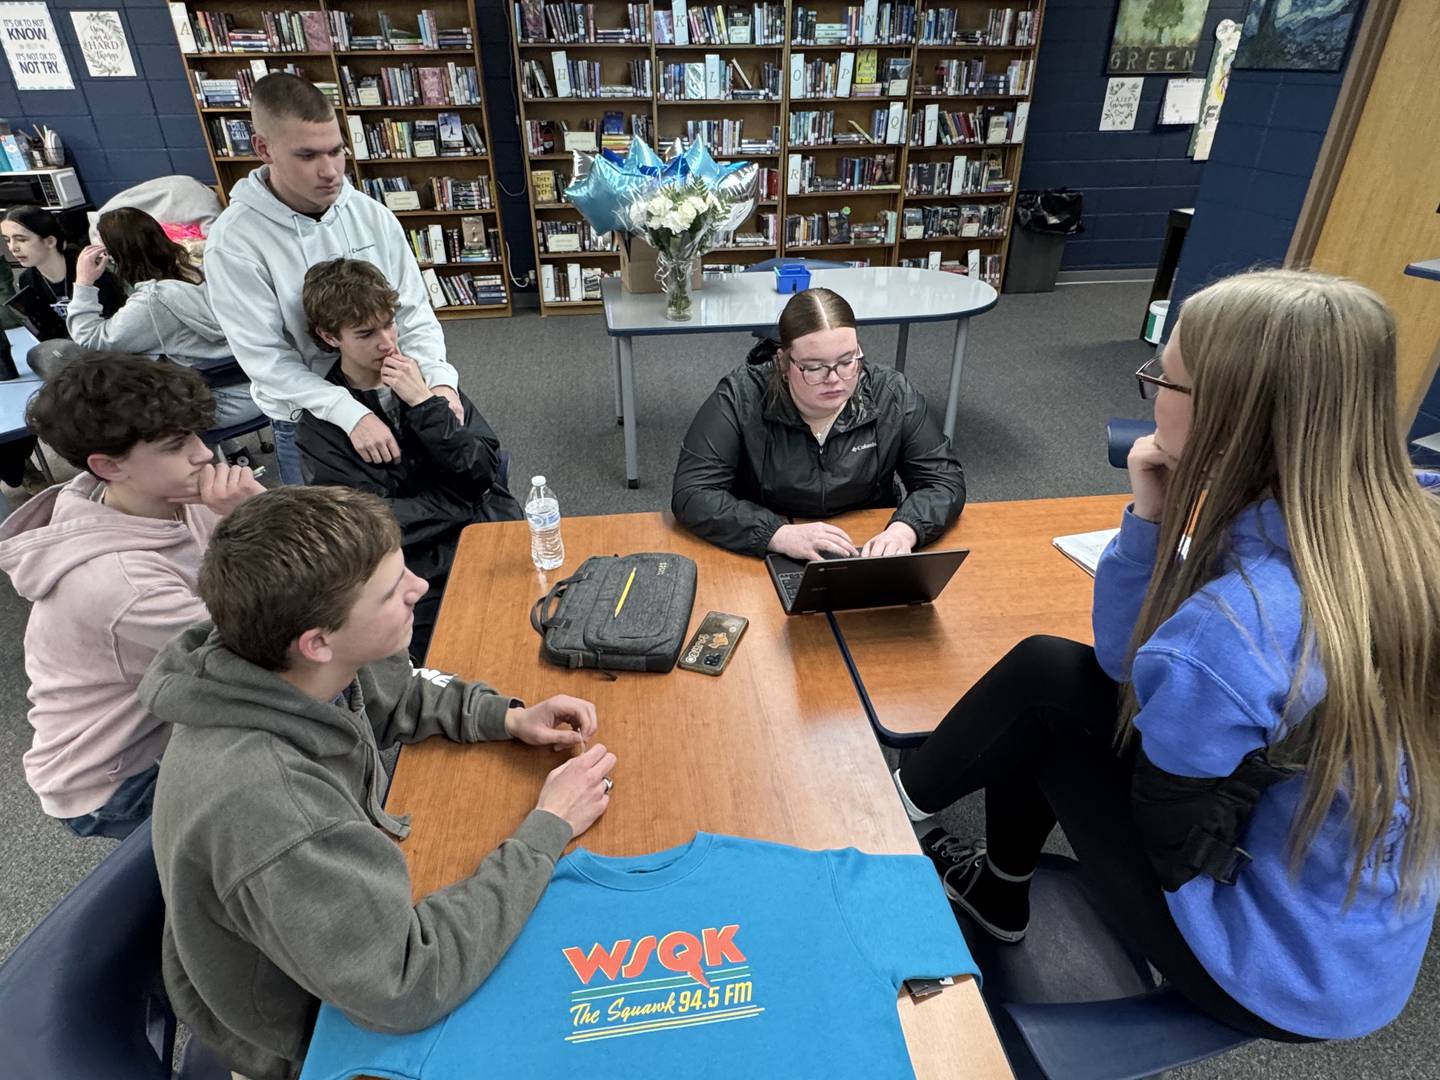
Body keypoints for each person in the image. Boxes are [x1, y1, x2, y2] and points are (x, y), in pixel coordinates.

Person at [895, 270, 1440, 1042]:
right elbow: (1136, 674)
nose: (1151, 394)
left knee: (1046, 692)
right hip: (1361, 945)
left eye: (1162, 378)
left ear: (1227, 414)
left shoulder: (1233, 628)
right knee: (1050, 679)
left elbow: (1161, 789)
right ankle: (985, 879)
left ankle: (886, 823)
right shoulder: (1413, 524)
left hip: (1267, 967)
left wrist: (1148, 521)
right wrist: (1159, 515)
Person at [141, 485, 614, 1080]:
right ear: (318, 642)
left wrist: (508, 717)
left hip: (324, 930)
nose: (419, 587)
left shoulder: (287, 663)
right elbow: (407, 985)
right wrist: (547, 829)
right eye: (393, 592)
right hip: (301, 1030)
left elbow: (395, 694)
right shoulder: (276, 809)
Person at [0, 353, 263, 839]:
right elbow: (258, 651)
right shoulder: (121, 584)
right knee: (272, 817)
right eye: (176, 444)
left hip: (169, 713)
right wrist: (255, 525)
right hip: (117, 775)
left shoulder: (172, 496)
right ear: (108, 466)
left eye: (197, 434)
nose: (203, 453)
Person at [204, 73, 464, 486]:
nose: (329, 172)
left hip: (390, 394)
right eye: (307, 156)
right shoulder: (234, 243)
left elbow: (413, 313)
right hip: (308, 417)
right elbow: (266, 359)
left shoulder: (369, 214)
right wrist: (346, 411)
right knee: (330, 543)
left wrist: (439, 383)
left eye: (336, 151)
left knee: (428, 515)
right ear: (263, 149)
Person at [295, 258, 520, 661]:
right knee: (449, 664)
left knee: (537, 631)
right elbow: (370, 523)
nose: (387, 343)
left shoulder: (424, 381)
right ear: (330, 337)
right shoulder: (323, 424)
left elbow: (482, 470)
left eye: (389, 324)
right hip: (415, 572)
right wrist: (460, 501)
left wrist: (423, 403)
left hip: (489, 536)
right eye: (366, 333)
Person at [672, 287, 966, 560]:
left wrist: (905, 529)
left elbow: (942, 480)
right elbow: (693, 492)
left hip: (866, 546)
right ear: (783, 362)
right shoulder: (740, 397)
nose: (835, 378)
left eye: (847, 361)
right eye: (814, 367)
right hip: (769, 548)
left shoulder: (892, 394)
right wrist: (775, 533)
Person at [63, 206, 264, 429]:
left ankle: (196, 461)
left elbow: (90, 340)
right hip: (255, 387)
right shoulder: (199, 273)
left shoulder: (153, 301)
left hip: (217, 402)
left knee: (111, 413)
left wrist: (83, 282)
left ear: (114, 256)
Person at [1, 204, 125, 367]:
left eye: (21, 239)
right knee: (36, 357)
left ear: (50, 241)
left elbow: (118, 323)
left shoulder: (93, 269)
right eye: (7, 240)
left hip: (109, 343)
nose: (13, 248)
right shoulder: (28, 279)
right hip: (72, 349)